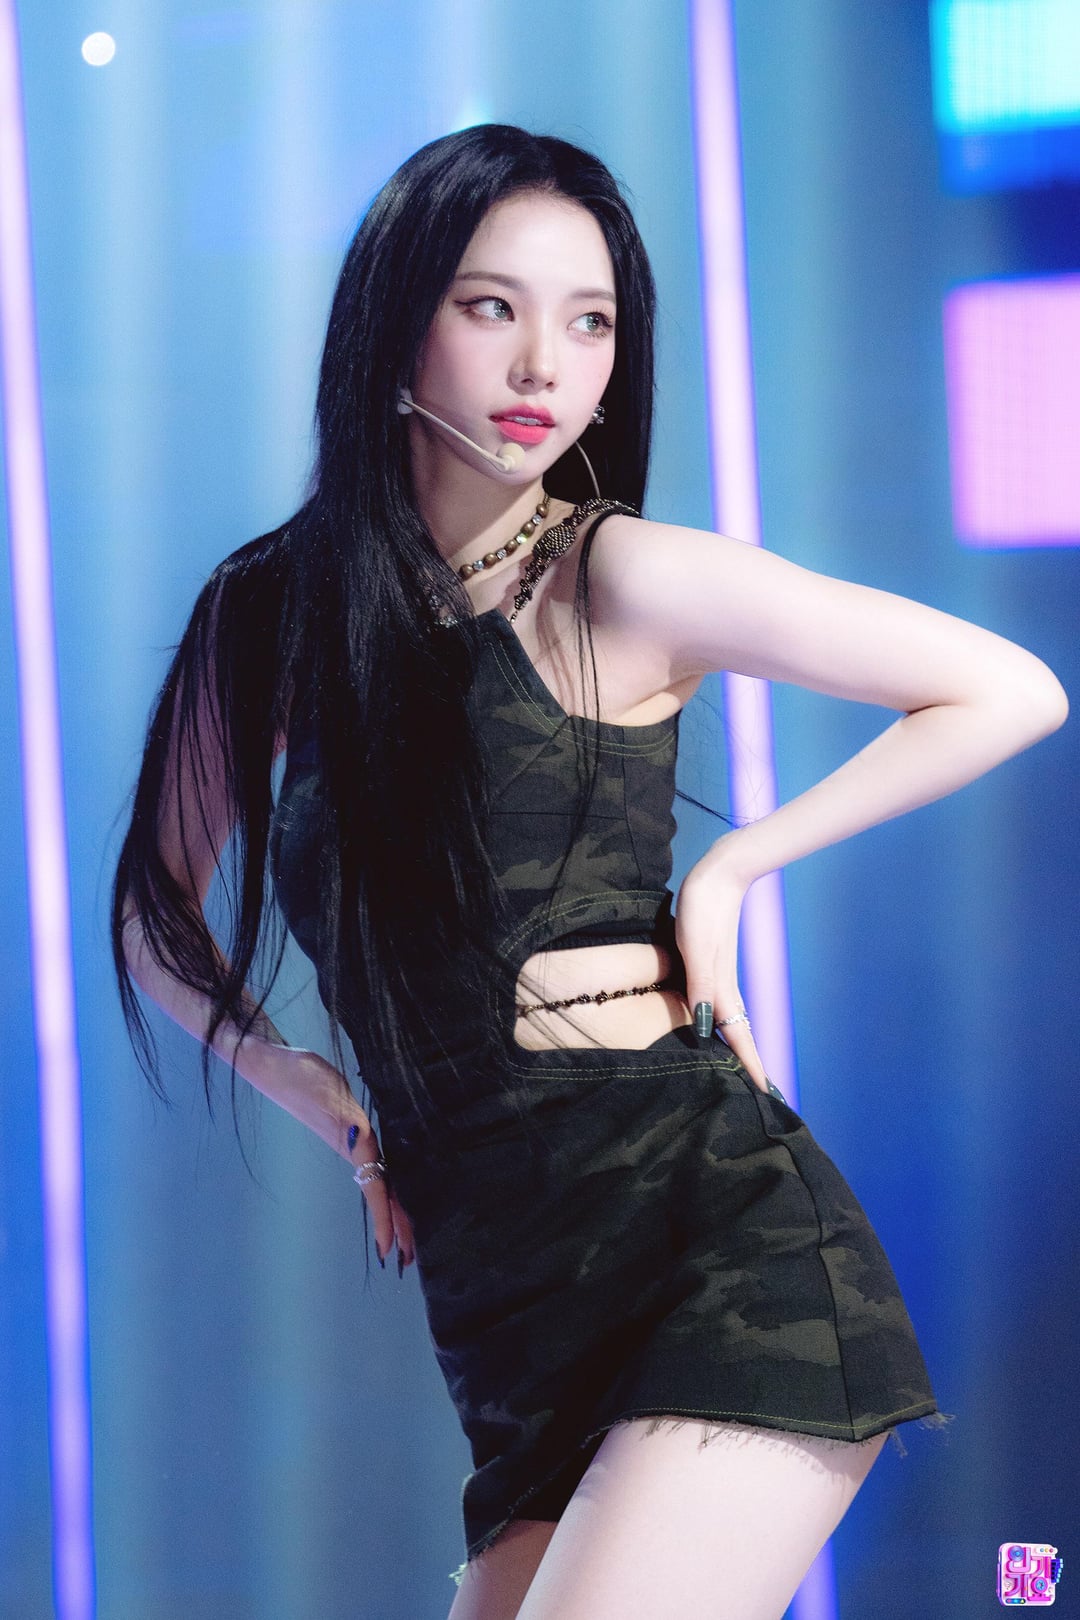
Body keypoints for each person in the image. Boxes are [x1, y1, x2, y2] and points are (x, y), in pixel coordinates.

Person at [110, 124, 1068, 1620]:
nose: (543, 363)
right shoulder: (274, 615)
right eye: (491, 305)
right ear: (396, 315)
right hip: (504, 1318)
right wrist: (323, 1099)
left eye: (591, 320)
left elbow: (1008, 686)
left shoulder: (616, 574)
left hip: (715, 1254)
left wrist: (734, 868)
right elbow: (153, 914)